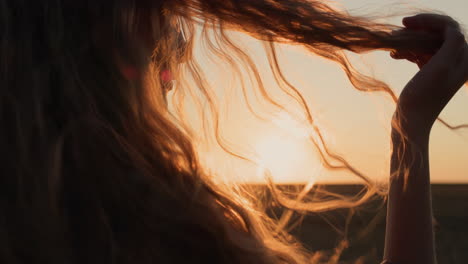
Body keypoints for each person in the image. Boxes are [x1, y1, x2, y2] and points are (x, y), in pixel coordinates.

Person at [0, 1, 466, 263]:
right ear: (123, 24)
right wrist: (411, 130)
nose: (177, 41)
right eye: (166, 11)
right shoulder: (168, 236)